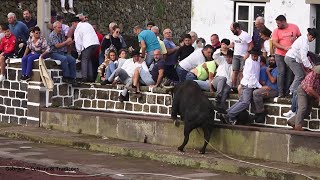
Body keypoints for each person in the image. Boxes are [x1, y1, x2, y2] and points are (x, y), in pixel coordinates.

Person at [283, 28, 318, 118]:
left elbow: (301, 59)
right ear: (310, 35)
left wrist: (307, 68)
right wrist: (311, 67)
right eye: (312, 38)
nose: (312, 40)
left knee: (301, 76)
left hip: (292, 58)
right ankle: (292, 91)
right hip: (291, 58)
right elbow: (303, 58)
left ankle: (293, 91)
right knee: (300, 75)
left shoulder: (302, 39)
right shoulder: (304, 43)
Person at [221, 50, 262, 125]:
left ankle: (227, 113)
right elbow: (251, 77)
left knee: (241, 101)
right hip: (248, 84)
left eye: (256, 56)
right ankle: (229, 115)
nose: (254, 57)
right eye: (253, 56)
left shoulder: (257, 59)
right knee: (245, 102)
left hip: (247, 84)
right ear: (251, 55)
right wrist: (260, 86)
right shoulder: (249, 63)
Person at [272, 15, 301, 97]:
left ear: (284, 22)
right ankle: (280, 93)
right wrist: (284, 47)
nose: (277, 25)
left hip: (291, 55)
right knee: (281, 72)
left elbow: (300, 38)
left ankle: (288, 92)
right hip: (280, 54)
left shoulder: (294, 27)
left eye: (278, 23)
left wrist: (295, 40)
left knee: (289, 73)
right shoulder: (276, 31)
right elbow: (274, 43)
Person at [287, 66, 320, 131]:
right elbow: (309, 89)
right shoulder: (311, 75)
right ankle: (298, 126)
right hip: (303, 90)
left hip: (311, 94)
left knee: (307, 112)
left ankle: (292, 121)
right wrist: (318, 97)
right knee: (303, 107)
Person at [252, 55, 278, 123]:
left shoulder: (277, 69)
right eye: (270, 60)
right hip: (267, 88)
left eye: (273, 60)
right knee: (252, 92)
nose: (271, 62)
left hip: (274, 90)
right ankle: (257, 112)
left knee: (256, 93)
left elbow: (273, 80)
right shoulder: (269, 68)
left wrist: (268, 72)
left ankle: (261, 113)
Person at [229, 22, 252, 91]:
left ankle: (242, 87)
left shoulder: (245, 35)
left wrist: (247, 53)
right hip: (236, 55)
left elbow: (251, 45)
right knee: (235, 71)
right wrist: (226, 47)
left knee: (242, 72)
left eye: (233, 30)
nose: (232, 32)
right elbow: (232, 44)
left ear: (237, 28)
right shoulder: (233, 36)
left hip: (243, 56)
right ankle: (233, 86)